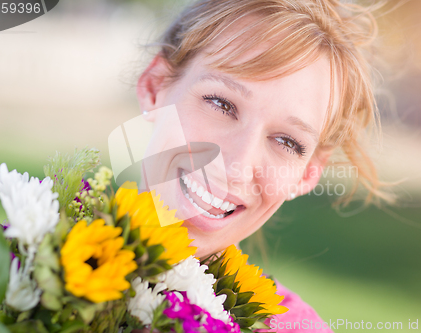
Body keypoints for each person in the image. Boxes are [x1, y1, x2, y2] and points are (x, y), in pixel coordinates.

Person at [134, 0, 390, 331]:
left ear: (309, 173)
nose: (236, 168)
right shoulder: (45, 244)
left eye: (287, 142)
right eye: (221, 104)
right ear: (155, 86)